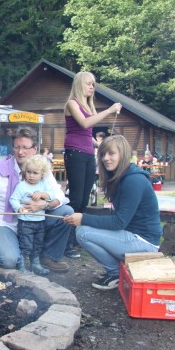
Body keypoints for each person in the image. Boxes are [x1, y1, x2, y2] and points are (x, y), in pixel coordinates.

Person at [63, 135, 162, 290]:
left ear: (123, 155)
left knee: (82, 233)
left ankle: (115, 273)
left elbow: (119, 222)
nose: (105, 158)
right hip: (131, 234)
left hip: (143, 242)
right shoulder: (121, 177)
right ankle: (116, 271)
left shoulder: (133, 180)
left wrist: (83, 218)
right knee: (85, 230)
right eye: (103, 154)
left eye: (111, 154)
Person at [0, 127, 72, 273]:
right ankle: (10, 246)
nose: (20, 152)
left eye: (25, 147)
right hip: (5, 223)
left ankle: (48, 257)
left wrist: (46, 203)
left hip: (34, 220)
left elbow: (59, 195)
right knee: (9, 261)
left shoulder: (41, 169)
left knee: (66, 212)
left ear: (35, 149)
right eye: (17, 147)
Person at [63, 72, 122, 258]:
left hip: (88, 154)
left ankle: (75, 237)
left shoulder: (89, 106)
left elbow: (87, 133)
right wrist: (110, 110)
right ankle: (65, 242)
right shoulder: (72, 103)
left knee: (83, 200)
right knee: (75, 199)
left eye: (93, 84)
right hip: (75, 153)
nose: (91, 87)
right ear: (80, 84)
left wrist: (99, 145)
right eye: (88, 84)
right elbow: (85, 123)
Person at [9, 155, 56, 275]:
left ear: (42, 174)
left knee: (38, 244)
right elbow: (13, 199)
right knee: (26, 245)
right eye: (29, 172)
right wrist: (18, 207)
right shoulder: (21, 186)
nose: (31, 175)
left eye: (35, 173)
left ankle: (35, 264)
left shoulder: (43, 184)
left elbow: (52, 195)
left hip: (40, 222)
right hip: (25, 222)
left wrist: (42, 194)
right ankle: (22, 265)